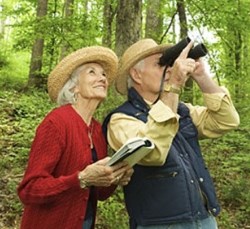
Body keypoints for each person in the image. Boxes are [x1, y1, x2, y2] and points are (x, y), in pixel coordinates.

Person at [102, 38, 240, 229]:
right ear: (136, 74)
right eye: (160, 64)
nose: (169, 69)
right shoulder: (121, 119)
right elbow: (153, 153)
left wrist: (201, 76)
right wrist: (174, 85)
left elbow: (227, 120)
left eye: (170, 64)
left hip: (204, 218)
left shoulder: (182, 110)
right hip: (159, 224)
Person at [17, 46, 133, 229]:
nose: (102, 78)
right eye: (92, 72)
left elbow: (100, 193)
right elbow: (29, 190)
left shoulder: (96, 129)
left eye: (103, 74)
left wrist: (115, 177)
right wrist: (80, 179)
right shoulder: (57, 123)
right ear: (74, 86)